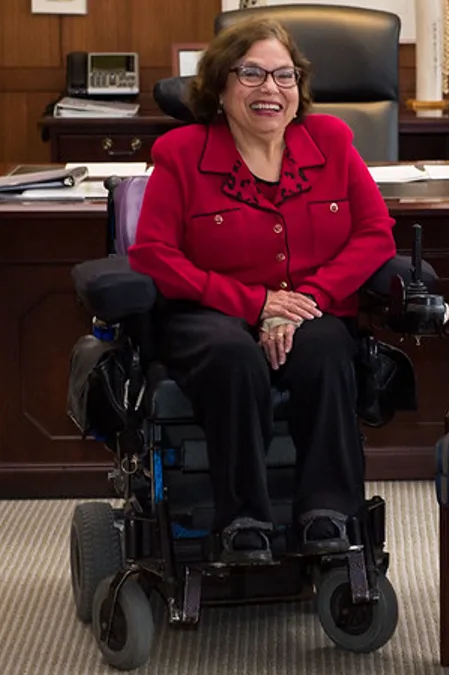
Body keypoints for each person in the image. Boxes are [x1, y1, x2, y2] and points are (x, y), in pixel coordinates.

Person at [127, 18, 397, 565]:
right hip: (207, 315)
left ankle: (327, 512)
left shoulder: (331, 141)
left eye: (284, 75)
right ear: (220, 89)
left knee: (323, 347)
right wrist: (255, 305)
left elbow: (375, 235)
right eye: (251, 74)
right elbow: (154, 255)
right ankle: (241, 518)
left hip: (310, 308)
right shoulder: (181, 153)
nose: (270, 88)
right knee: (234, 356)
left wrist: (305, 303)